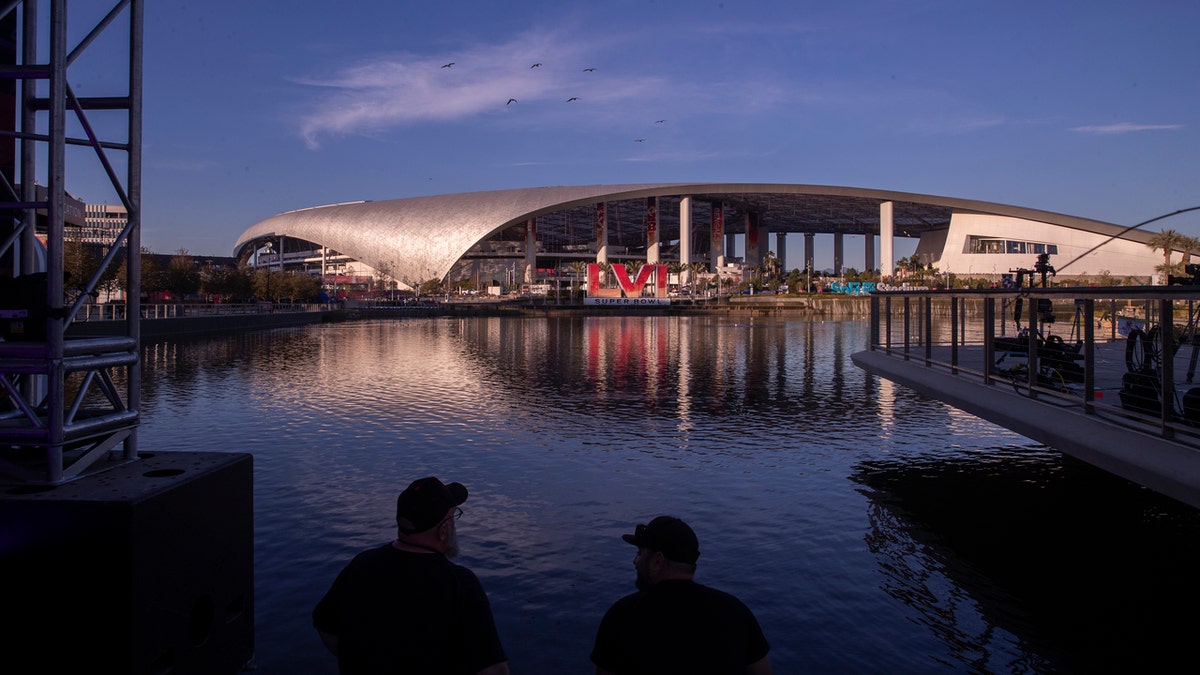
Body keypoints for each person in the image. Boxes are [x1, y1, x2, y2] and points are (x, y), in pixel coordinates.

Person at [313, 476, 509, 675]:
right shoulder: (459, 583)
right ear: (443, 531)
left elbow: (325, 627)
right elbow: (495, 671)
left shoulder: (361, 565)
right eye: (453, 517)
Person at [590, 516, 772, 675]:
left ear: (657, 561)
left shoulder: (621, 616)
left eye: (640, 553)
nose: (635, 560)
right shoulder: (737, 613)